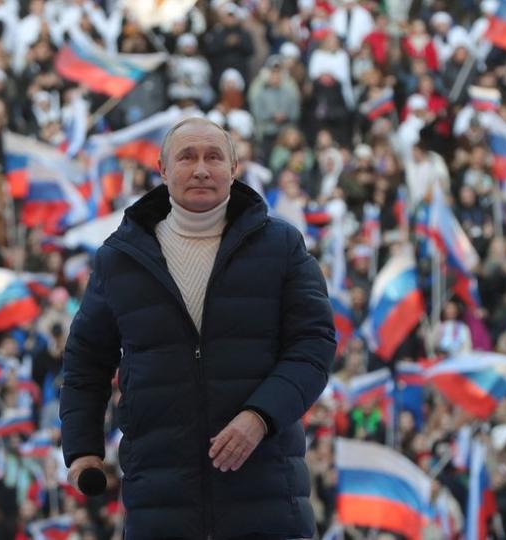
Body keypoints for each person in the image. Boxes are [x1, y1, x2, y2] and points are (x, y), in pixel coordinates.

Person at [60, 117, 335, 539]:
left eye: (213, 157)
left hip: (267, 495)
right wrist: (83, 450)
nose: (201, 169)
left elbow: (313, 346)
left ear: (234, 168)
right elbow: (85, 361)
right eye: (187, 157)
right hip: (159, 502)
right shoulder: (119, 258)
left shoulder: (283, 246)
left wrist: (259, 416)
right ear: (163, 170)